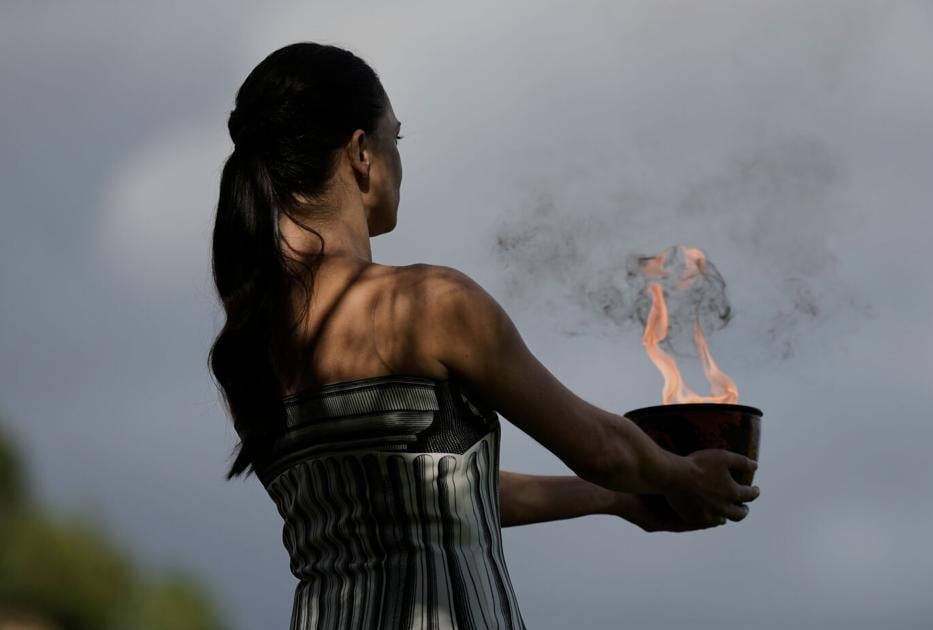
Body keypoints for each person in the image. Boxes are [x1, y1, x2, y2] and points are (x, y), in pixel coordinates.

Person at [208, 41, 761, 630]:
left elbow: (439, 493)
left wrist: (614, 499)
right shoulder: (424, 304)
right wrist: (682, 475)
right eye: (397, 138)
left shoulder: (246, 344)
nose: (401, 160)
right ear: (361, 152)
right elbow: (603, 448)